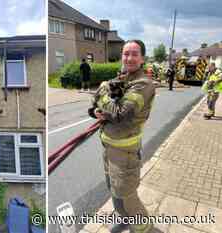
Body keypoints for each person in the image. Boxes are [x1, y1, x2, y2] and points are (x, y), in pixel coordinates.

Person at [89, 40, 155, 233]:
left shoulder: (143, 83)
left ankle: (143, 228)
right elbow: (96, 106)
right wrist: (95, 111)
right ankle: (124, 218)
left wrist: (102, 94)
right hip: (108, 147)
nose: (129, 58)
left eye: (134, 54)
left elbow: (119, 113)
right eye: (126, 54)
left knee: (127, 195)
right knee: (114, 188)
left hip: (124, 152)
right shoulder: (123, 79)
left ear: (142, 58)